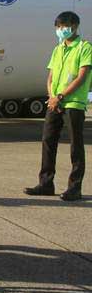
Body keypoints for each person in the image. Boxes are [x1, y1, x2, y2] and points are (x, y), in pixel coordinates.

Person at [24, 11, 92, 201]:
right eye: (59, 27)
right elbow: (51, 76)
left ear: (75, 26)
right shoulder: (58, 49)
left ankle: (75, 187)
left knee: (75, 146)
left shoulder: (84, 48)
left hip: (73, 103)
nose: (61, 30)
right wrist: (52, 96)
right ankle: (46, 183)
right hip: (55, 102)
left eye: (65, 26)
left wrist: (62, 95)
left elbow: (82, 76)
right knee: (48, 141)